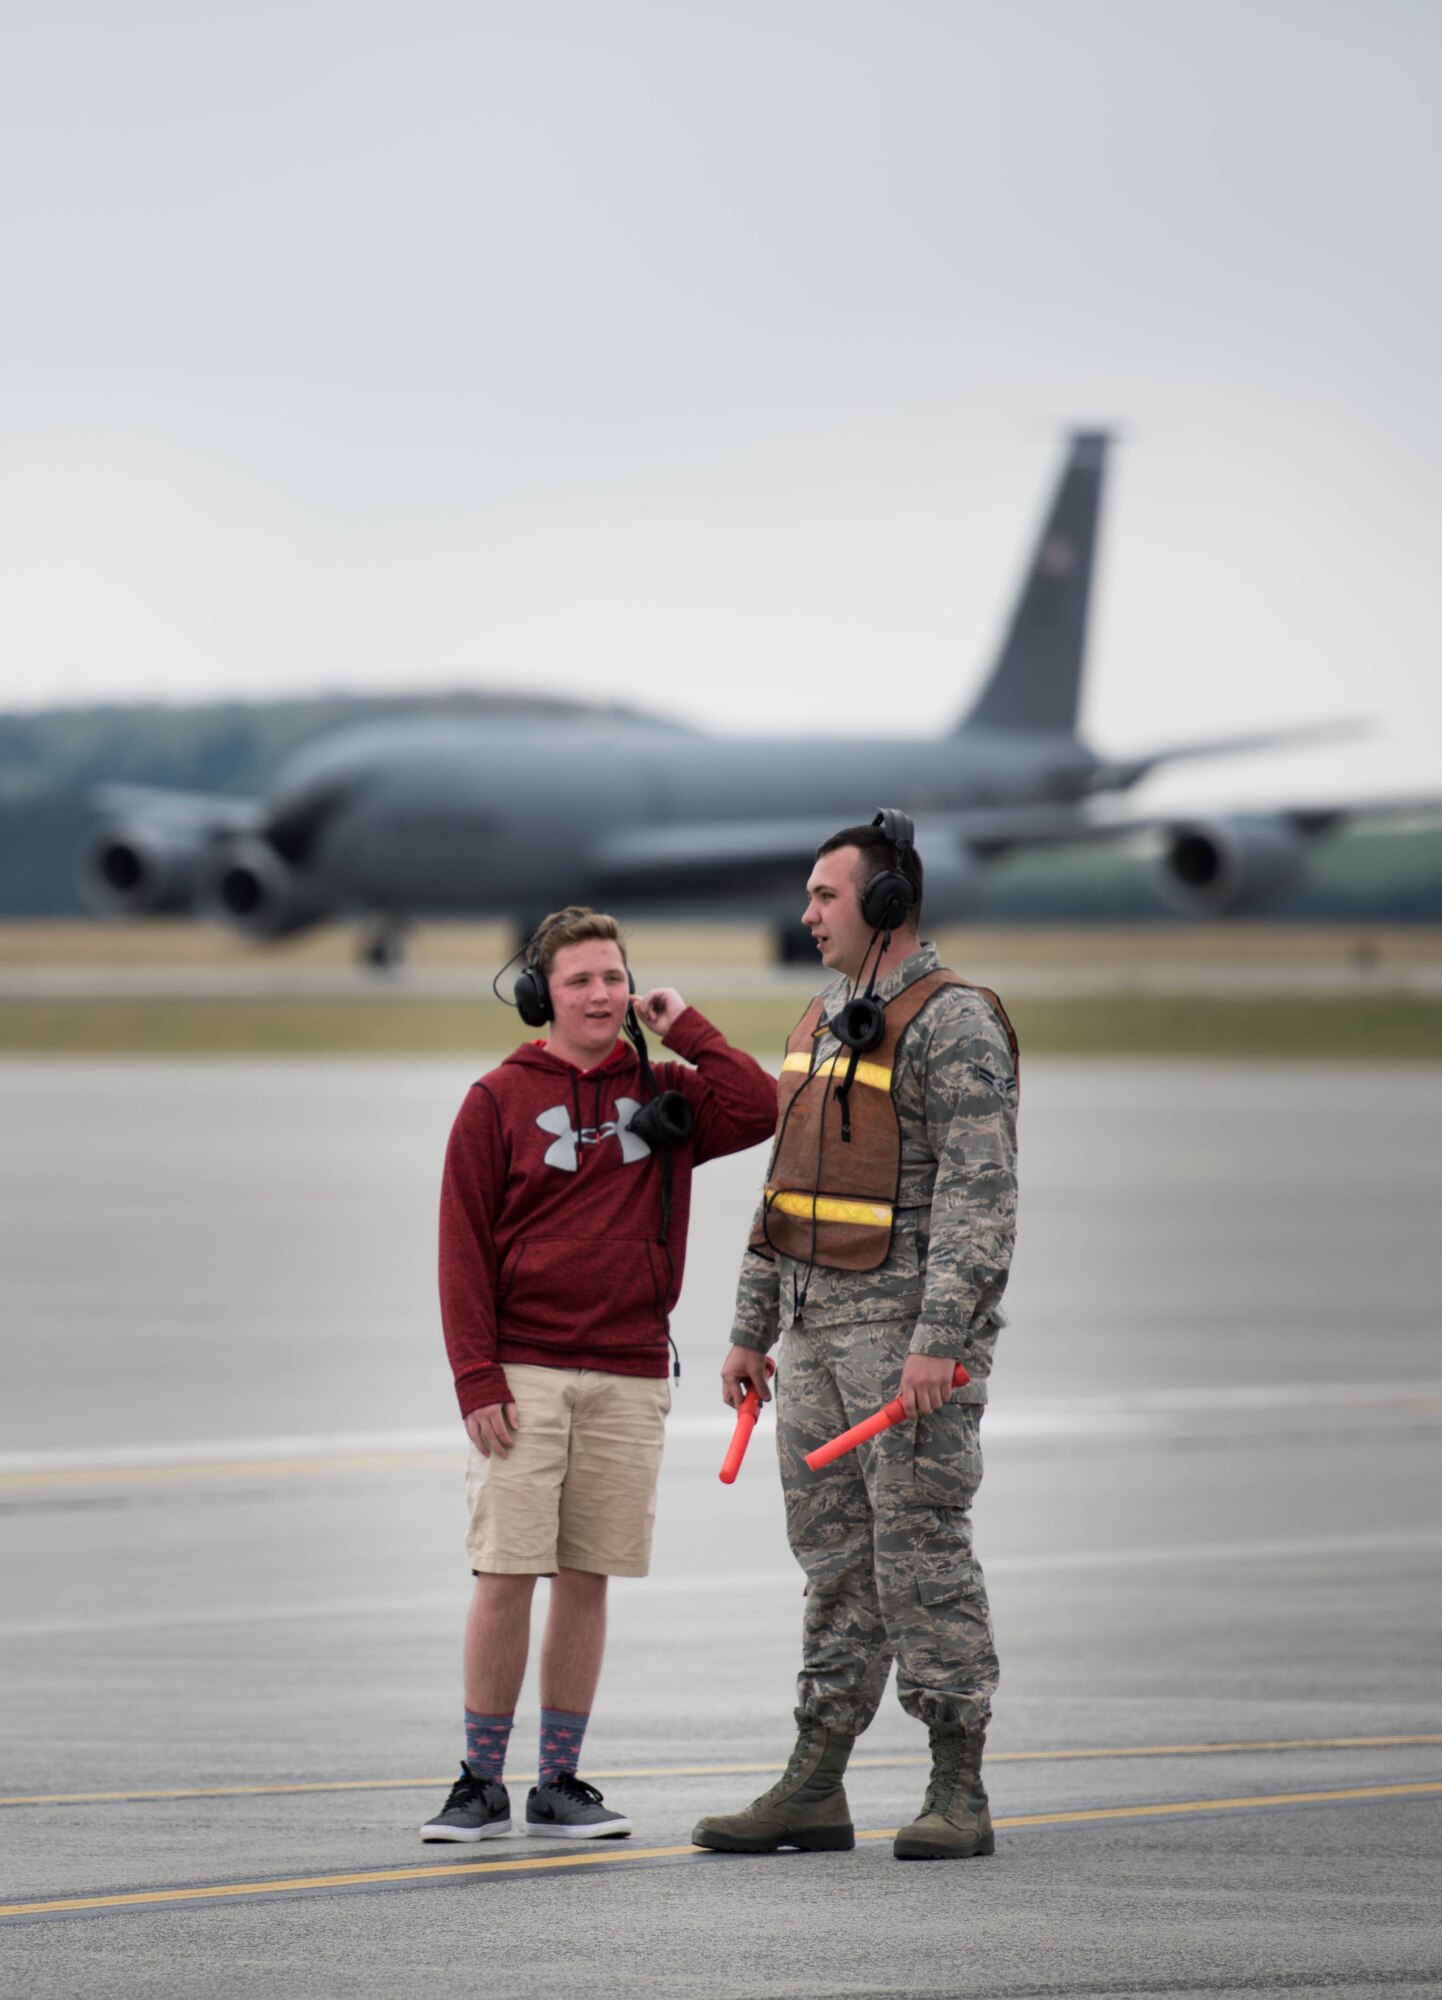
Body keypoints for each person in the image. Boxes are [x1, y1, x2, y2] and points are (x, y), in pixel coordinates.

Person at [692, 812, 1019, 1862]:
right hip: (813, 1339)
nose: (805, 913)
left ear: (885, 905)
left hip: (906, 1354)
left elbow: (980, 1197)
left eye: (823, 895)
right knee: (833, 1560)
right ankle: (815, 1779)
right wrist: (749, 1329)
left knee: (919, 1550)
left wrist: (940, 1339)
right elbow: (780, 1184)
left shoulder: (953, 1022)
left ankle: (954, 1780)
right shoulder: (819, 1021)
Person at [422, 906, 776, 1843]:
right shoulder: (495, 1100)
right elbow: (460, 1249)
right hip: (524, 1373)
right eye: (579, 980)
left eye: (614, 979)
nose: (600, 996)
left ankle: (561, 1782)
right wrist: (476, 1378)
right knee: (506, 1572)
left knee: (588, 1577)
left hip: (628, 1373)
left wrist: (683, 1027)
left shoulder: (665, 1089)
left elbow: (762, 1104)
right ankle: (479, 1782)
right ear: (543, 994)